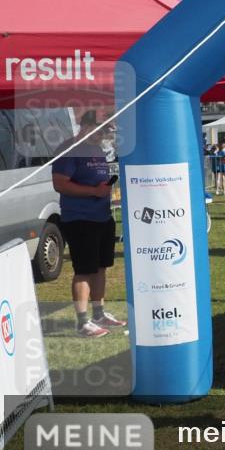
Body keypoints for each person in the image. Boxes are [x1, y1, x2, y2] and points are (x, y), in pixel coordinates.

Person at [51, 111, 126, 338]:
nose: (103, 135)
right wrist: (94, 191)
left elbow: (94, 180)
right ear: (85, 125)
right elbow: (60, 184)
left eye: (105, 131)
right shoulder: (68, 150)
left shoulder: (96, 150)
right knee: (84, 270)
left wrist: (104, 191)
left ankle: (99, 313)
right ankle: (82, 322)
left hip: (102, 216)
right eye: (100, 129)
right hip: (80, 219)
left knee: (101, 267)